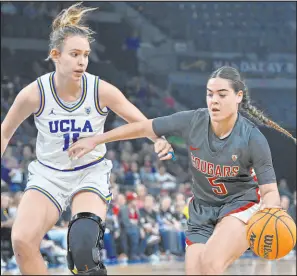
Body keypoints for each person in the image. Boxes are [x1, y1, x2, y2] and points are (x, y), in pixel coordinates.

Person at [69, 66, 296, 275]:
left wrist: (271, 207)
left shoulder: (252, 138)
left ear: (238, 97)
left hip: (240, 205)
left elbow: (269, 190)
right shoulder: (193, 121)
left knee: (210, 264)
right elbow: (142, 127)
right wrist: (97, 140)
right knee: (195, 271)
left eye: (222, 94)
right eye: (210, 94)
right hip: (202, 208)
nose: (214, 100)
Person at [0, 3, 174, 275]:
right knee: (22, 242)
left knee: (82, 248)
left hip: (88, 173)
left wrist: (158, 140)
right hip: (49, 175)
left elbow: (142, 123)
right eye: (75, 54)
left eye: (86, 55)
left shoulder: (100, 89)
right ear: (55, 55)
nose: (82, 61)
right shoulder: (35, 93)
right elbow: (4, 132)